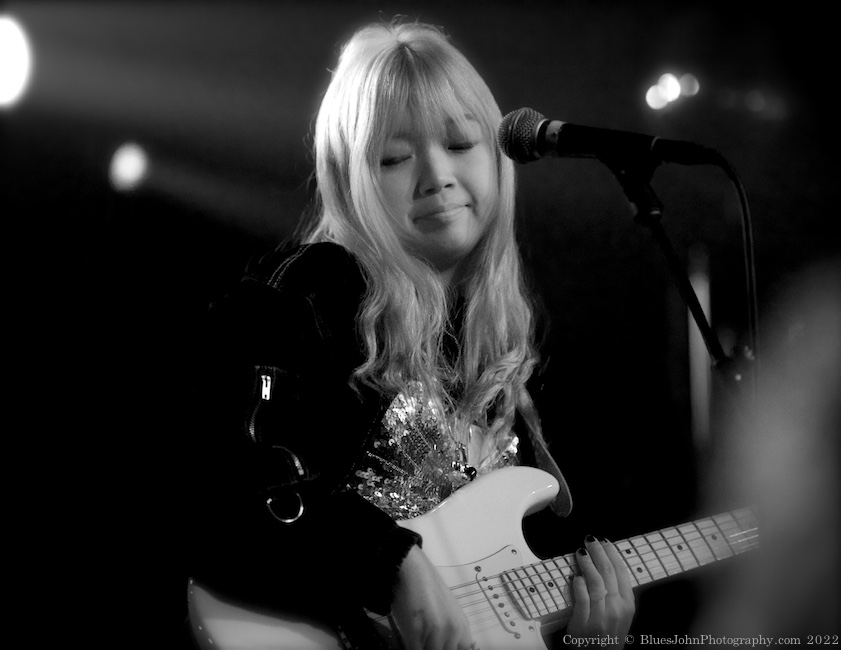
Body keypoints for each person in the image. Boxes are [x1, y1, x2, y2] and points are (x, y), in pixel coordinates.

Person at [187, 19, 636, 650]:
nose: (435, 175)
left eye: (460, 144)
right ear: (350, 179)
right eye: (395, 158)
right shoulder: (308, 296)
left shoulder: (511, 352)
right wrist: (385, 558)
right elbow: (218, 473)